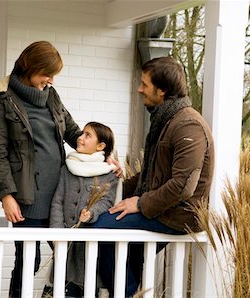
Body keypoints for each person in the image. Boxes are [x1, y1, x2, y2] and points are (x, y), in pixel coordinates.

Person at [89, 56, 215, 297]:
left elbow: (183, 186)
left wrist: (140, 203)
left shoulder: (188, 126)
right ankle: (129, 290)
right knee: (126, 252)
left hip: (177, 215)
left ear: (163, 90)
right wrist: (109, 188)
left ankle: (125, 294)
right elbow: (149, 175)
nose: (139, 89)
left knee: (100, 228)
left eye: (145, 85)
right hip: (160, 208)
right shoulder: (166, 120)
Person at [0, 41, 84, 298]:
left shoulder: (51, 96)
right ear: (30, 67)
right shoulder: (3, 99)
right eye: (46, 73)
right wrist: (6, 196)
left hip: (60, 197)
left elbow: (74, 133)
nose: (51, 80)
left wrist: (104, 155)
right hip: (26, 199)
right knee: (28, 261)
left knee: (69, 258)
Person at [49, 122, 118, 297]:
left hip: (89, 247)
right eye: (82, 133)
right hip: (66, 245)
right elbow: (57, 201)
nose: (80, 138)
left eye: (88, 135)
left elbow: (107, 201)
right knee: (62, 288)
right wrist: (57, 233)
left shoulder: (108, 174)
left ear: (100, 146)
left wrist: (91, 213)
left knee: (88, 289)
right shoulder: (67, 168)